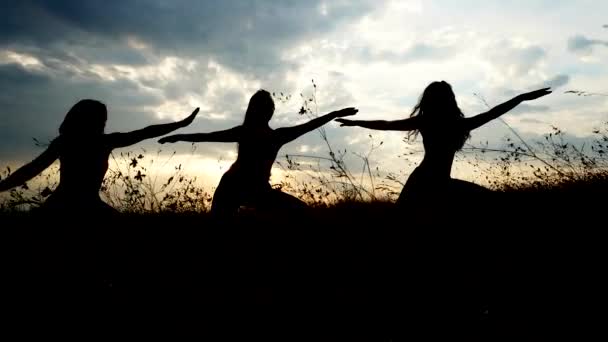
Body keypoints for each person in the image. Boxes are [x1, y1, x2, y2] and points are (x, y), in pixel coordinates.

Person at [336, 81, 552, 211]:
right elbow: (493, 112)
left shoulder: (429, 122)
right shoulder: (454, 124)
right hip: (427, 182)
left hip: (431, 182)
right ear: (450, 100)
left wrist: (357, 122)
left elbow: (387, 125)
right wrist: (522, 98)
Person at [159, 89, 358, 217]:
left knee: (300, 211)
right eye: (263, 106)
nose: (265, 110)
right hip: (231, 188)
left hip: (256, 190)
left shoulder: (274, 135)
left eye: (266, 107)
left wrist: (334, 114)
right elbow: (208, 136)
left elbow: (308, 125)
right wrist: (180, 136)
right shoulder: (249, 133)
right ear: (260, 111)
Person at [0, 99, 199, 216]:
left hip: (73, 206)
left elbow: (146, 132)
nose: (104, 123)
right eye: (101, 119)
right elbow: (32, 169)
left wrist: (180, 125)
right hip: (67, 207)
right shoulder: (92, 142)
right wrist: (180, 124)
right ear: (87, 120)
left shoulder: (70, 142)